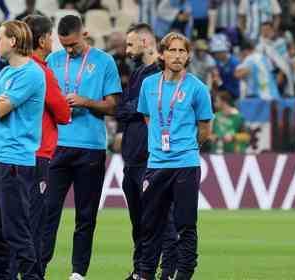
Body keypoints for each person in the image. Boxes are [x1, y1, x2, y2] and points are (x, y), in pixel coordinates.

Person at [42, 15, 122, 280]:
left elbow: (113, 105)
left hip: (90, 147)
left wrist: (86, 101)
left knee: (85, 215)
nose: (69, 50)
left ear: (85, 34)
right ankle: (37, 269)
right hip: (56, 147)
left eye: (73, 44)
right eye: (64, 45)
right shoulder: (52, 61)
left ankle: (78, 273)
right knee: (47, 212)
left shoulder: (104, 61)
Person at [137, 32, 213, 280]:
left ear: (188, 55)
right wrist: (160, 142)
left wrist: (187, 148)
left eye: (182, 51)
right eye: (172, 50)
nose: (177, 55)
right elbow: (149, 118)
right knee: (149, 226)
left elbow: (205, 130)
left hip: (185, 164)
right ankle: (146, 273)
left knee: (186, 225)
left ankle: (184, 274)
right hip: (156, 163)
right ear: (162, 54)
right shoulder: (149, 85)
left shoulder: (198, 88)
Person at [11, 14, 71, 279]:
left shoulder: (11, 69)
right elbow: (63, 113)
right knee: (32, 224)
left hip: (7, 156)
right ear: (44, 39)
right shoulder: (41, 72)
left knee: (9, 222)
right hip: (36, 157)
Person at [116, 23, 178, 280]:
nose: (127, 49)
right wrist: (134, 108)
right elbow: (124, 108)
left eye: (131, 44)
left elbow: (148, 109)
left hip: (151, 158)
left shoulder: (164, 74)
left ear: (145, 42)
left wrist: (133, 108)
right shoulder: (139, 72)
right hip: (131, 158)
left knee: (160, 218)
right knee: (139, 221)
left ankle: (170, 269)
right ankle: (141, 271)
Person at [0, 19, 46, 279]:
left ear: (13, 41)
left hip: (14, 160)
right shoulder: (5, 73)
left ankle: (33, 277)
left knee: (16, 231)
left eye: (0, 38)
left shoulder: (32, 73)